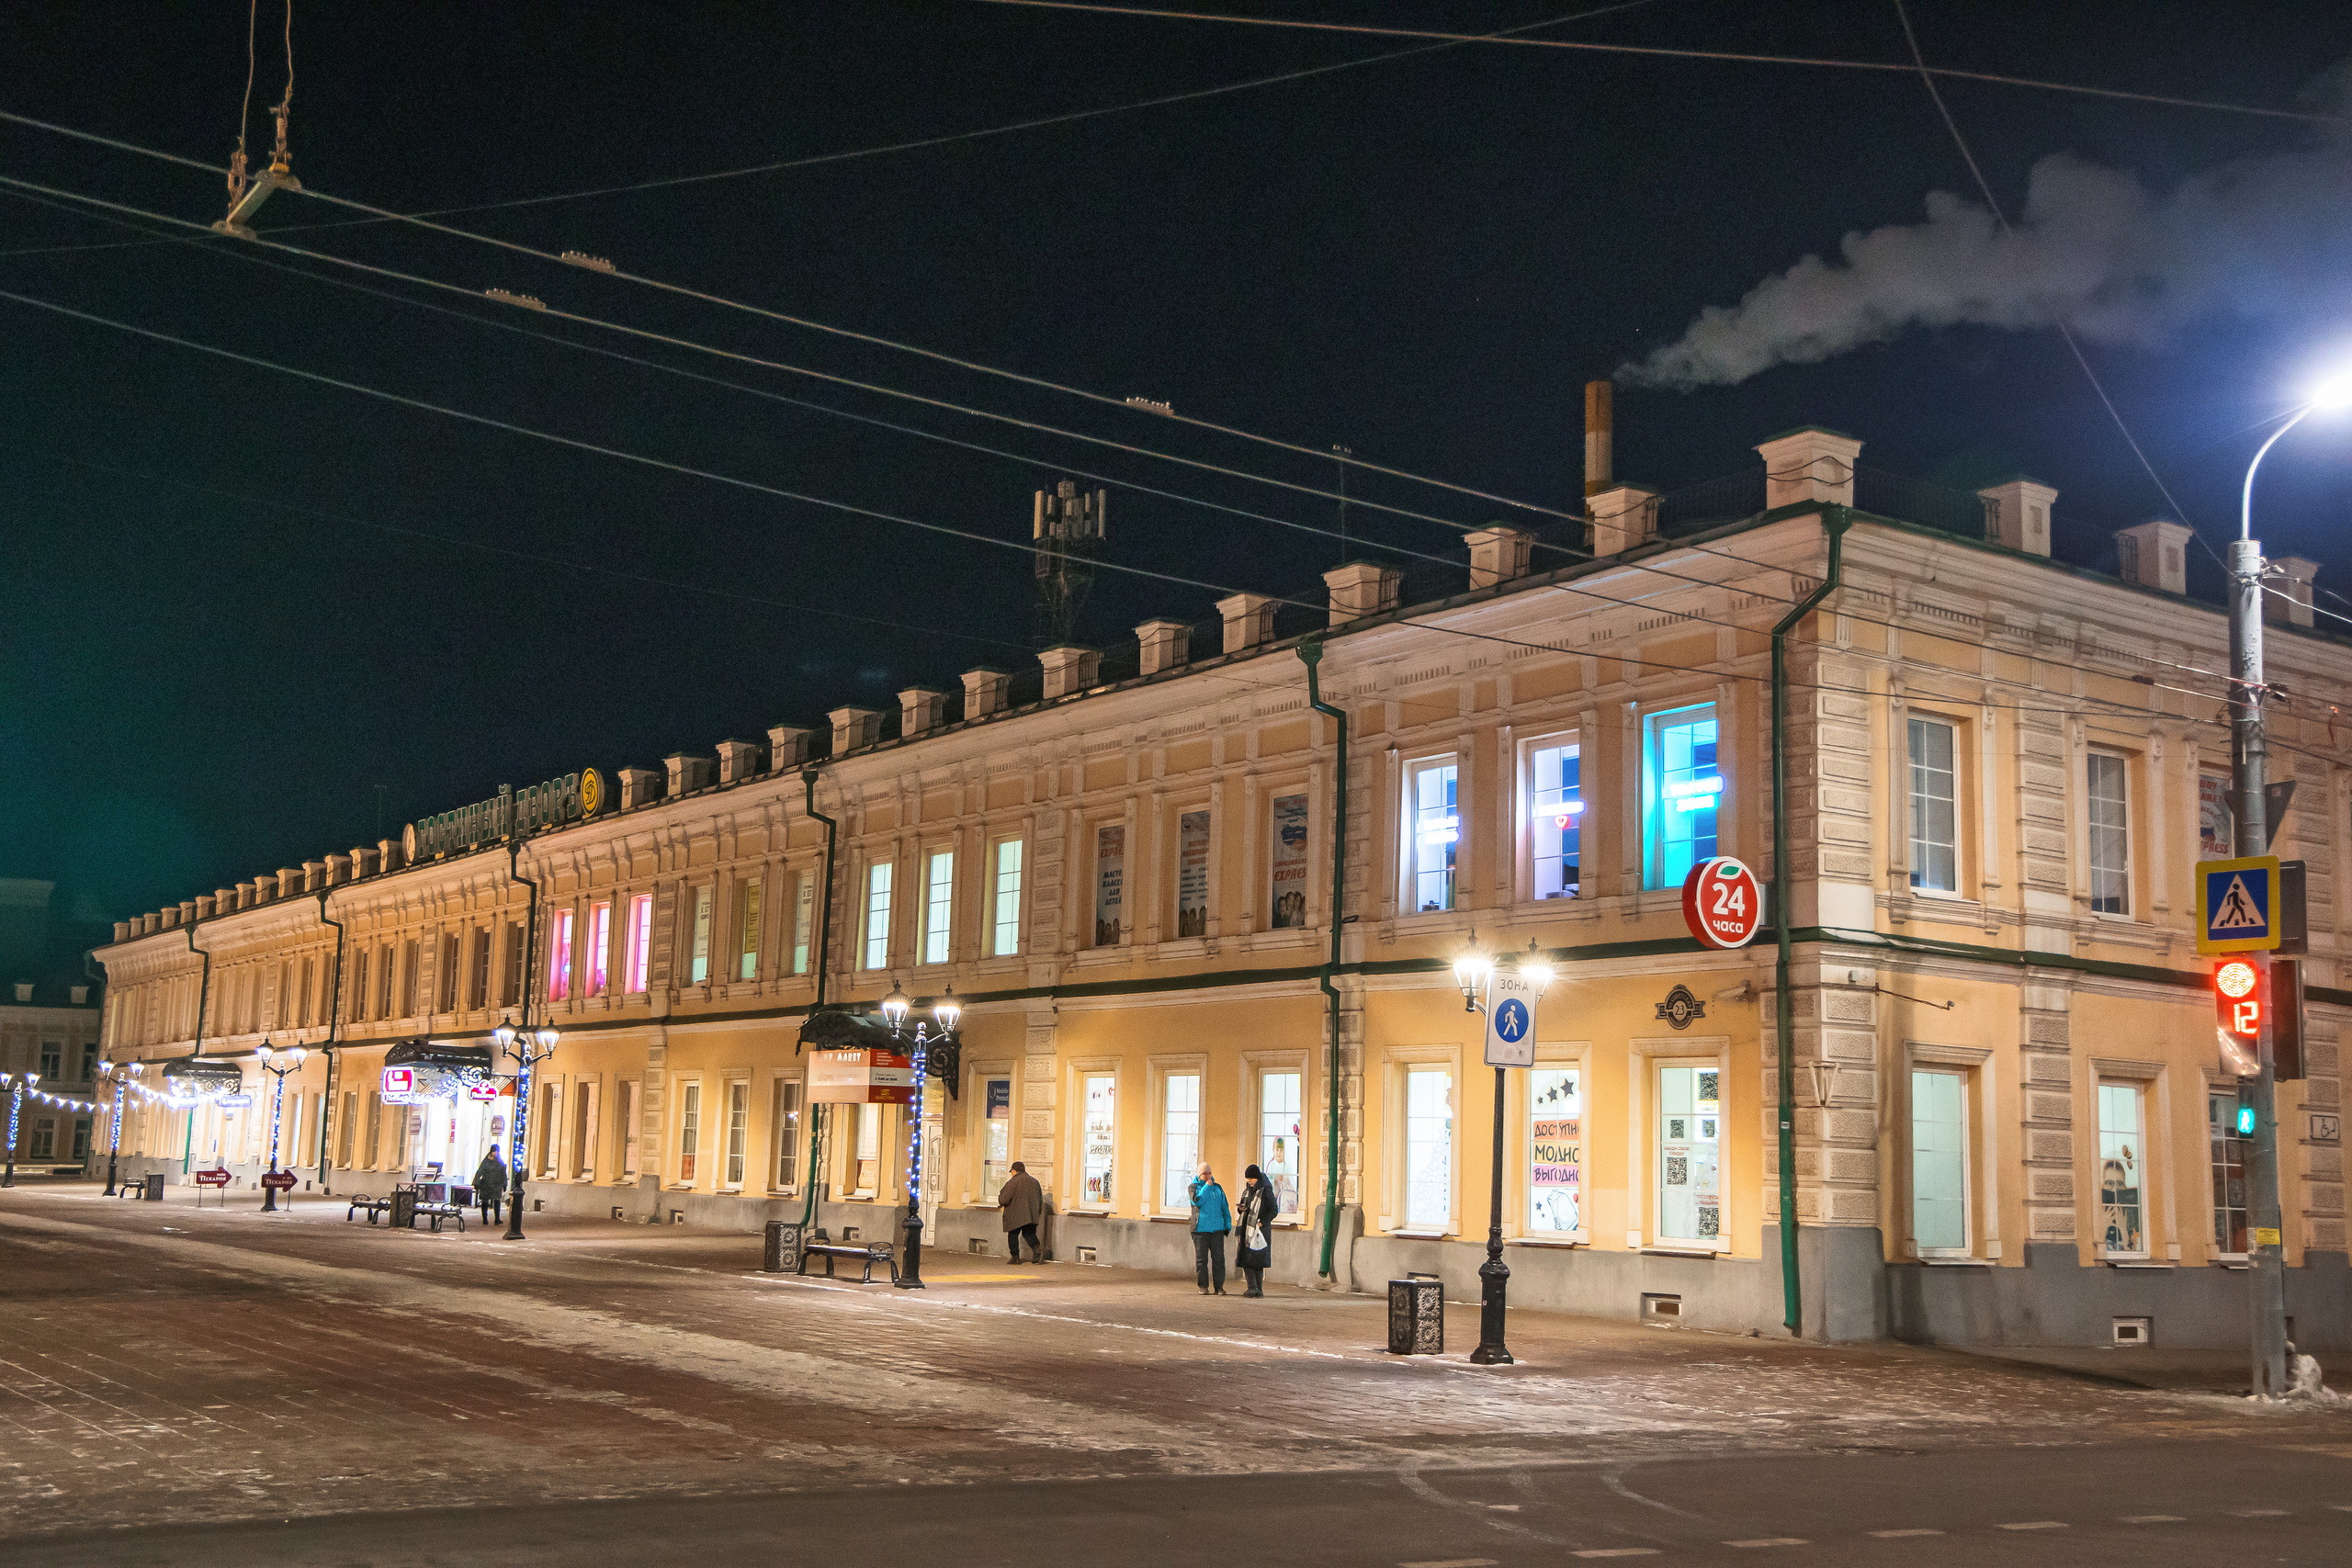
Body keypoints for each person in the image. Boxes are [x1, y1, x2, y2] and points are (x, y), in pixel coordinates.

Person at [1234, 1164, 1277, 1297]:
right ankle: (1254, 1288)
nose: (1250, 1181)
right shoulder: (1247, 1191)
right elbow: (1244, 1206)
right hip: (1246, 1231)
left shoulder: (1266, 1190)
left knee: (1256, 1261)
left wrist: (1262, 1222)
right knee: (1248, 1259)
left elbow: (1273, 1210)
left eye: (1251, 1178)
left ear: (1257, 1177)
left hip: (1259, 1231)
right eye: (1248, 1179)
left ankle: (1255, 1288)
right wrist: (1241, 1209)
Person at [1189, 1162, 1232, 1295]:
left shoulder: (1218, 1188)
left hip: (1217, 1229)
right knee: (1202, 1260)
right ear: (1198, 1174)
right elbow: (1197, 1201)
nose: (1207, 1176)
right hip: (1200, 1229)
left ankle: (1219, 1287)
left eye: (1209, 1173)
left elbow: (1225, 1207)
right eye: (1204, 1173)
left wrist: (1227, 1225)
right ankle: (1203, 1286)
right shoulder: (1193, 1187)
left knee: (1219, 1259)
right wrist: (1206, 1188)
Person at [999, 1159, 1046, 1263]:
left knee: (1013, 1235)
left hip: (1015, 1214)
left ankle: (1015, 1257)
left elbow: (1004, 1199)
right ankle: (1036, 1250)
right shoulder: (1035, 1182)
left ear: (1014, 1171)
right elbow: (1040, 1199)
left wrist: (1000, 1200)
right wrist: (1037, 1213)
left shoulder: (1012, 1182)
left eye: (1012, 1172)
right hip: (1031, 1214)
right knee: (1029, 1234)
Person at [472, 1145, 508, 1226]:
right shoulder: (485, 1162)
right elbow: (479, 1172)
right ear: (491, 1151)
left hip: (496, 1185)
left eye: (497, 1151)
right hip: (486, 1184)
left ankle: (497, 1219)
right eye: (494, 1151)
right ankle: (485, 1219)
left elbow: (503, 1174)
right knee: (485, 1202)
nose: (496, 1153)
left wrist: (505, 1184)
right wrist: (476, 1183)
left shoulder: (500, 1162)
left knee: (496, 1201)